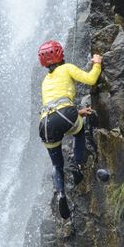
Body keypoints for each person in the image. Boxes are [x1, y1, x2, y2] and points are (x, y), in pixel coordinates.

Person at [37, 40, 102, 219]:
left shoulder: (45, 81)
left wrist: (78, 113)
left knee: (57, 165)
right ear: (59, 54)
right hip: (65, 115)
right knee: (79, 131)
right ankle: (78, 163)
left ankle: (61, 193)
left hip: (45, 124)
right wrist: (97, 62)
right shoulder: (66, 69)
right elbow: (91, 79)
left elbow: (54, 106)